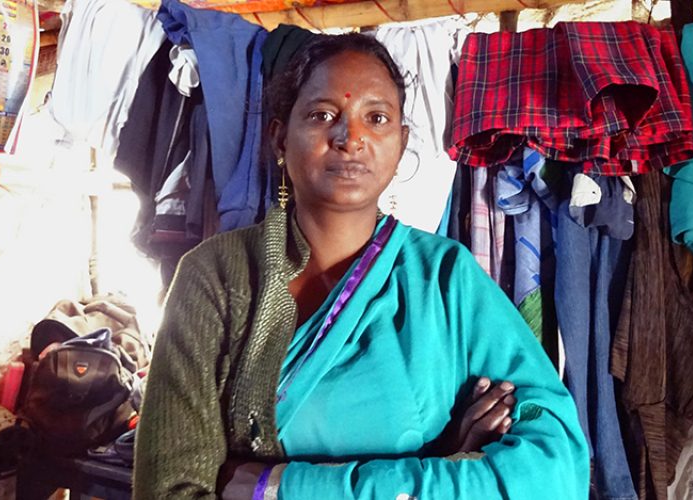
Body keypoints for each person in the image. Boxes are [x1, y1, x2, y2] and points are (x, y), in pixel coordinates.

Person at [134, 33, 589, 499]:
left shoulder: (447, 280)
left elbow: (553, 472)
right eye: (322, 115)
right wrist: (445, 468)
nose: (350, 138)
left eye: (376, 118)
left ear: (401, 142)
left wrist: (280, 487)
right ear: (279, 138)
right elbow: (167, 491)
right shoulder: (216, 276)